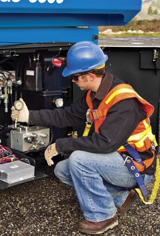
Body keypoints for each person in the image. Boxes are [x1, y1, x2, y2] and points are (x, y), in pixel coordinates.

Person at [11, 41, 158, 235]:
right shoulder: (95, 94)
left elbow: (104, 143)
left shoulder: (123, 102)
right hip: (117, 159)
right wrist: (29, 116)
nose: (73, 81)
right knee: (63, 169)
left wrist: (61, 145)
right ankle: (120, 197)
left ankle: (103, 216)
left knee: (79, 160)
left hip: (136, 166)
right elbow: (66, 115)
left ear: (89, 75)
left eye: (75, 77)